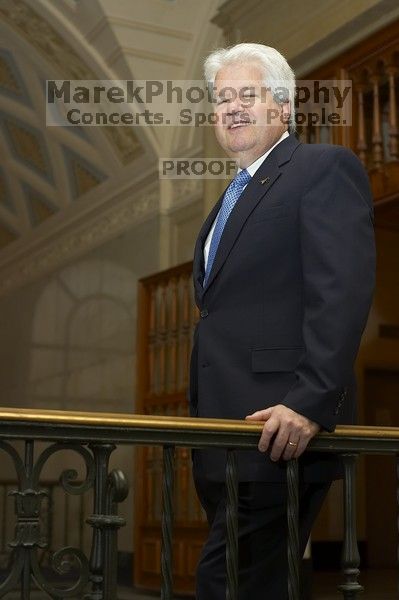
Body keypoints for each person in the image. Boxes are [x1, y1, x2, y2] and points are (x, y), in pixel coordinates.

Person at [188, 43, 376, 599]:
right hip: (224, 437)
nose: (233, 108)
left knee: (225, 582)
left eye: (248, 95)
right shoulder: (226, 198)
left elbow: (340, 291)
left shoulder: (322, 168)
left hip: (281, 430)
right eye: (223, 99)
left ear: (283, 109)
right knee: (258, 584)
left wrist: (310, 400)